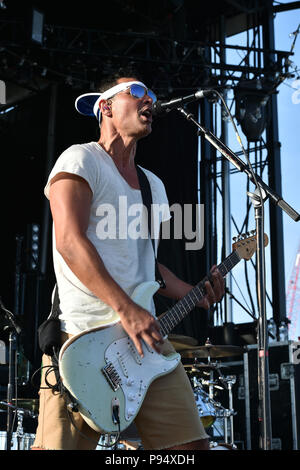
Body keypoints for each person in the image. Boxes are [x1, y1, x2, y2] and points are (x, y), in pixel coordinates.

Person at [32, 69, 224, 451]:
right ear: (105, 106)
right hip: (81, 338)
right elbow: (69, 240)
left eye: (151, 94)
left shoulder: (154, 186)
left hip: (144, 343)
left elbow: (148, 265)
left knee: (190, 446)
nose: (148, 99)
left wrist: (194, 292)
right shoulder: (81, 159)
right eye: (137, 92)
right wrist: (124, 307)